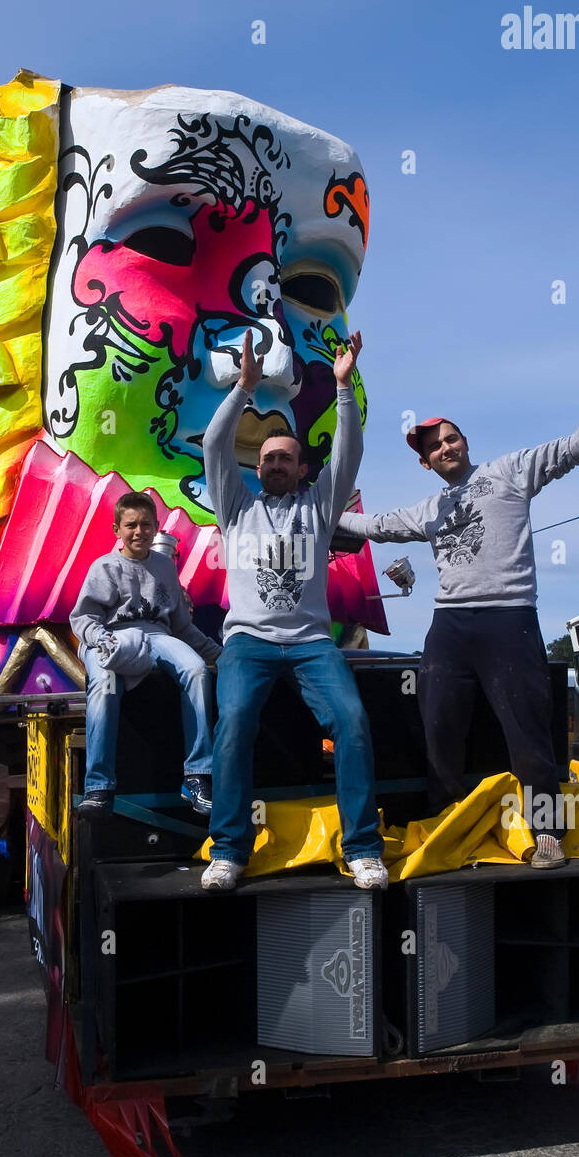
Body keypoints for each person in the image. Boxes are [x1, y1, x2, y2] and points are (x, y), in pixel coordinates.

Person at [334, 352, 579, 869]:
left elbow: (572, 449)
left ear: (465, 442)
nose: (445, 447)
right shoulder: (427, 510)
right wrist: (316, 513)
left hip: (509, 618)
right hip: (449, 626)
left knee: (528, 734)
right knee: (439, 726)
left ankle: (546, 834)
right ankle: (448, 822)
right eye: (434, 447)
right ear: (425, 462)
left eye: (451, 438)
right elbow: (376, 526)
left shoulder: (510, 472)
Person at [200, 330, 386, 891]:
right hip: (248, 644)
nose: (276, 464)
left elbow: (349, 451)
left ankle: (362, 848)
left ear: (303, 468)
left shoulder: (320, 507)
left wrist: (343, 383)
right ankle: (230, 849)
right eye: (267, 459)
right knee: (232, 722)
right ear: (255, 469)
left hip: (311, 645)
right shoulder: (235, 508)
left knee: (352, 722)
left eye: (286, 458)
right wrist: (244, 388)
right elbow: (213, 445)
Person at [70, 492, 221, 817]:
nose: (139, 531)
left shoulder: (165, 567)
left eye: (146, 525)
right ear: (117, 529)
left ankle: (197, 776)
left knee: (196, 671)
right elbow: (82, 618)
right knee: (105, 685)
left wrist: (218, 654)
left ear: (156, 528)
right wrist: (103, 640)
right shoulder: (104, 567)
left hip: (156, 634)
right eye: (131, 525)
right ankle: (98, 788)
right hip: (110, 636)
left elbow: (181, 626)